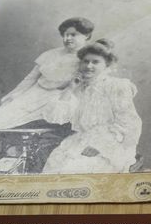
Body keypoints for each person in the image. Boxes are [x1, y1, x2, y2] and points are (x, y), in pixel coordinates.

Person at [0, 17, 94, 174]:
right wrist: (13, 96)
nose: (68, 38)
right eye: (65, 35)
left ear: (86, 35)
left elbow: (85, 89)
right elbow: (30, 79)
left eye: (73, 35)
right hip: (32, 96)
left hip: (55, 101)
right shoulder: (50, 54)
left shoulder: (88, 60)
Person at [42, 39, 142, 174]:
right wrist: (70, 88)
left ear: (106, 64)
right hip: (79, 141)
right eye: (85, 61)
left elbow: (129, 124)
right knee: (55, 166)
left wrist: (100, 147)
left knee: (77, 169)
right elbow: (56, 117)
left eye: (95, 62)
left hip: (109, 146)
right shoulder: (78, 88)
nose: (89, 66)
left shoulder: (116, 86)